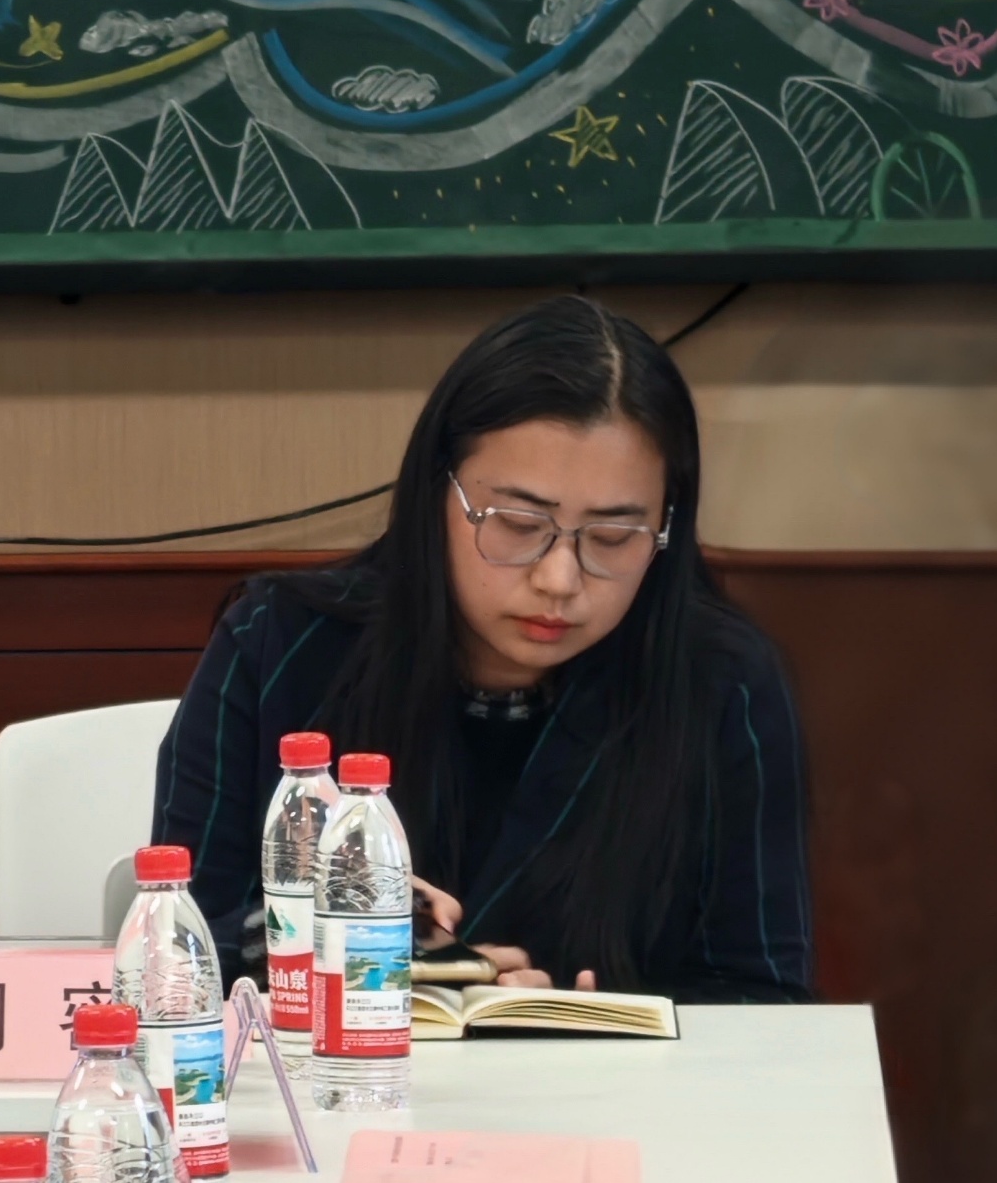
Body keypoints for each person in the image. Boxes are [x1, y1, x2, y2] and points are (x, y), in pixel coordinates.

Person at [152, 294, 812, 1002]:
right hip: (331, 1070)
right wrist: (321, 935)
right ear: (437, 493)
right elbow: (175, 948)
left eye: (613, 537)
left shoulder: (723, 684)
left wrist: (598, 1021)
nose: (559, 580)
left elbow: (766, 996)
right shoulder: (277, 645)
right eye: (518, 524)